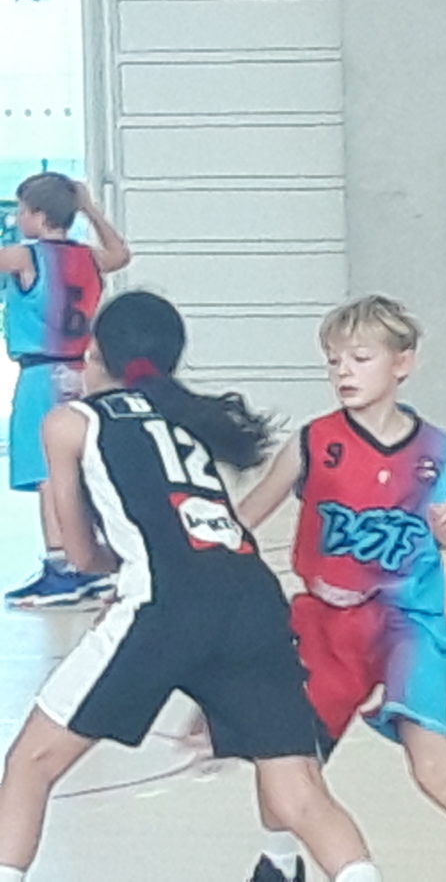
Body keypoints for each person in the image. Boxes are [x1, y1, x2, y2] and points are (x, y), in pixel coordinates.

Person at [0, 291, 382, 881]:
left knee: (31, 763)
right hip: (253, 601)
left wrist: (124, 568)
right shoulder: (189, 423)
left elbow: (80, 556)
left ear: (95, 353)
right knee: (300, 795)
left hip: (165, 606)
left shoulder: (71, 422)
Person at [234, 295, 446, 882]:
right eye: (333, 361)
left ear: (402, 363)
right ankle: (278, 862)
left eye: (359, 358)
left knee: (434, 768)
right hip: (326, 624)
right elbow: (243, 519)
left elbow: (440, 529)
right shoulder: (313, 442)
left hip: (408, 622)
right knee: (287, 760)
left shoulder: (438, 451)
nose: (344, 372)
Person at [1, 173, 131, 607]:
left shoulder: (26, 256)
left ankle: (62, 565)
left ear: (39, 216)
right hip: (79, 369)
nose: (18, 218)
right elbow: (121, 254)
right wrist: (90, 208)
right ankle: (88, 560)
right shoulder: (88, 257)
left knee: (46, 473)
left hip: (41, 373)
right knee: (77, 469)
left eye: (22, 210)